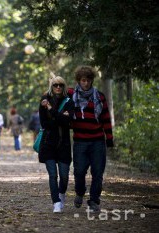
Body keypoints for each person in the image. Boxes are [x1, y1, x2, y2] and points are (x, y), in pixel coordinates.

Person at [70, 66, 114, 212]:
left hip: (97, 141)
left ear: (92, 80)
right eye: (83, 80)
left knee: (97, 172)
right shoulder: (71, 95)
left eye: (89, 80)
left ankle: (94, 200)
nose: (86, 83)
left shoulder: (99, 96)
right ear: (79, 80)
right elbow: (55, 95)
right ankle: (80, 192)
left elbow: (106, 118)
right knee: (79, 171)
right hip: (80, 141)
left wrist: (109, 138)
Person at [39, 76, 75, 213]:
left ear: (64, 86)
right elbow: (44, 124)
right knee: (53, 175)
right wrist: (60, 117)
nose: (58, 87)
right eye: (55, 85)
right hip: (48, 144)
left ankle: (61, 194)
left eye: (60, 85)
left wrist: (51, 111)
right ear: (51, 86)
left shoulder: (69, 102)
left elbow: (68, 122)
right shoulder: (44, 101)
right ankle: (56, 202)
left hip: (63, 144)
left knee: (64, 177)